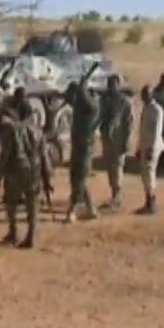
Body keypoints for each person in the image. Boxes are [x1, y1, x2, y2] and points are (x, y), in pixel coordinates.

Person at [0, 99, 52, 248]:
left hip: (15, 171)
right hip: (34, 171)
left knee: (10, 203)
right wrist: (47, 179)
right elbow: (45, 157)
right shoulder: (39, 132)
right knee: (32, 205)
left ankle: (13, 232)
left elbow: (5, 155)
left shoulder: (12, 131)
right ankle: (30, 237)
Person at [63, 78, 99, 223]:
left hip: (85, 148)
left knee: (79, 180)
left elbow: (87, 101)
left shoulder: (91, 108)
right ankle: (91, 209)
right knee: (76, 179)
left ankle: (71, 211)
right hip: (77, 147)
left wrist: (82, 87)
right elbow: (69, 99)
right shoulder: (80, 108)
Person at [97, 75, 134, 212]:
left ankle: (117, 199)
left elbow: (129, 123)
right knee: (110, 168)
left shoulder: (124, 102)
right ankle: (114, 196)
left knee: (118, 168)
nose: (111, 87)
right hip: (107, 138)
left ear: (118, 85)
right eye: (109, 85)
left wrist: (127, 140)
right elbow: (99, 117)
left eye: (113, 85)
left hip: (119, 140)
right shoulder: (105, 100)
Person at [135, 85, 164, 215]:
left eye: (145, 95)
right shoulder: (146, 108)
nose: (143, 97)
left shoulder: (157, 110)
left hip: (152, 147)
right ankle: (148, 203)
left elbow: (157, 131)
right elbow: (142, 130)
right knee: (145, 174)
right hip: (145, 145)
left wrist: (151, 149)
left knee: (149, 173)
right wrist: (139, 147)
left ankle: (152, 204)